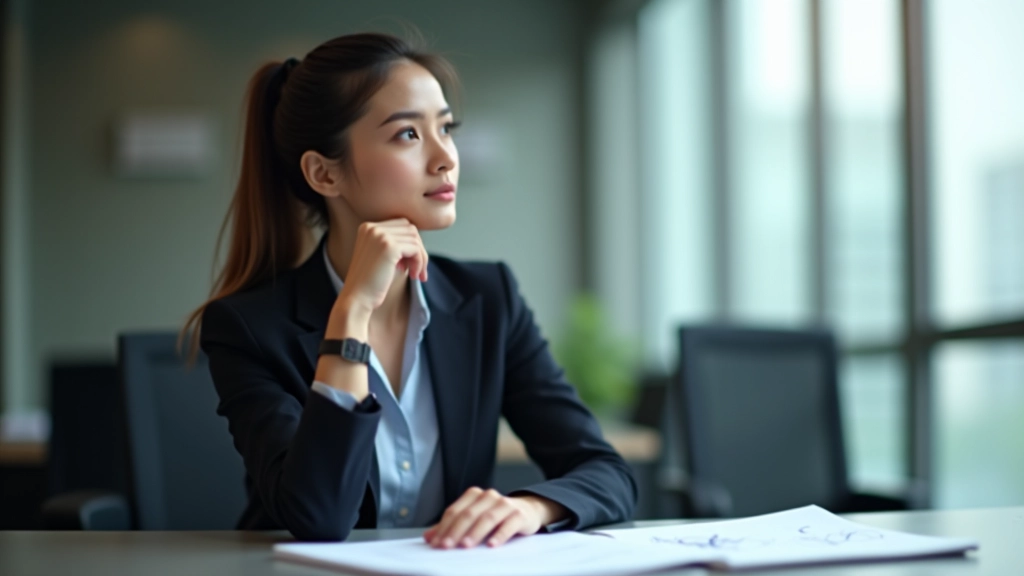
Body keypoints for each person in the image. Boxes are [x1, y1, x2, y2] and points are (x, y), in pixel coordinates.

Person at [183, 32, 636, 546]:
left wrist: (531, 509)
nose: (446, 157)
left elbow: (607, 473)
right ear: (324, 173)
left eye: (446, 128)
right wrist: (350, 315)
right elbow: (319, 518)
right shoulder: (249, 328)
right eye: (408, 135)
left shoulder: (489, 298)